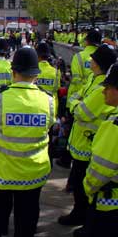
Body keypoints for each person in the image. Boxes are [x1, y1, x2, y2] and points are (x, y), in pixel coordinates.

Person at [0, 47, 55, 237]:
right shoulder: (48, 100)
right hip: (33, 172)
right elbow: (49, 126)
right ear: (36, 75)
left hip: (0, 172)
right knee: (27, 221)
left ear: (12, 72)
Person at [58, 45, 117, 234]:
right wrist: (78, 102)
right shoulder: (93, 79)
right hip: (80, 142)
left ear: (99, 64)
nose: (89, 61)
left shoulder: (101, 87)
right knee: (77, 183)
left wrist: (77, 104)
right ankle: (81, 215)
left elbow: (82, 111)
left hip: (89, 146)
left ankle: (81, 217)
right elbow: (76, 96)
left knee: (83, 187)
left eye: (93, 59)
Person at [82, 62, 118, 237]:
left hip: (108, 203)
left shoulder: (115, 126)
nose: (103, 91)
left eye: (108, 87)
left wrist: (88, 187)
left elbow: (100, 170)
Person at [66, 30, 101, 109]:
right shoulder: (102, 57)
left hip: (78, 97)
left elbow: (75, 79)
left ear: (87, 41)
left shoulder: (78, 56)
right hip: (96, 97)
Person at [36, 42, 61, 110]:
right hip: (51, 107)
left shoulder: (32, 71)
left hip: (35, 106)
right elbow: (57, 88)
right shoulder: (56, 72)